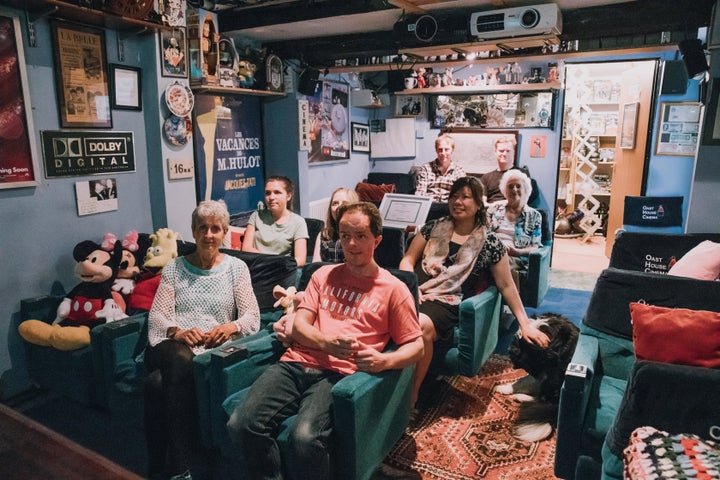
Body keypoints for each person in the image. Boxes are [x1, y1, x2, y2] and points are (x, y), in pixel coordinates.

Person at [227, 202, 424, 480]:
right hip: (294, 364)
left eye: (361, 236)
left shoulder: (394, 290)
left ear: (377, 240)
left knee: (305, 438)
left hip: (338, 375)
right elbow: (300, 326)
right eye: (345, 236)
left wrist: (384, 361)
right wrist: (328, 342)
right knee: (240, 424)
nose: (352, 244)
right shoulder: (322, 275)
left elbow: (417, 347)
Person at [399, 176, 549, 406]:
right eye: (454, 196)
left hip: (447, 301)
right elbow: (408, 260)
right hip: (414, 290)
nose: (457, 202)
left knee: (420, 325)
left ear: (479, 203)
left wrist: (524, 323)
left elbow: (506, 285)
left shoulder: (490, 242)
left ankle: (411, 395)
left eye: (465, 197)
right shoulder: (432, 227)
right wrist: (409, 285)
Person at [144, 200, 261, 480]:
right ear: (193, 232)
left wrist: (231, 327)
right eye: (202, 228)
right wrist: (178, 332)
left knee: (155, 384)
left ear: (224, 233)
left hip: (209, 351)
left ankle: (162, 464)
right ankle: (182, 467)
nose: (209, 235)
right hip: (171, 346)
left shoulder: (237, 269)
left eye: (215, 229)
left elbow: (252, 317)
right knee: (180, 356)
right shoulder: (174, 268)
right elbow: (157, 317)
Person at [486, 169, 543, 293]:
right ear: (505, 191)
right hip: (491, 251)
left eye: (518, 186)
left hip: (515, 257)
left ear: (525, 190)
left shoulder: (534, 216)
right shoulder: (494, 209)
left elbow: (535, 246)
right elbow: (483, 234)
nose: (514, 189)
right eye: (510, 186)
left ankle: (500, 302)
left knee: (500, 262)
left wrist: (517, 252)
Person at [242, 175, 309, 267]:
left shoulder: (298, 222)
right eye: (268, 193)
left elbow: (300, 259)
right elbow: (246, 248)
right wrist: (269, 261)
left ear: (288, 196)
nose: (271, 197)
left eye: (277, 192)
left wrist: (277, 264)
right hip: (256, 267)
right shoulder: (256, 215)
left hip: (280, 270)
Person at [481, 136, 539, 205]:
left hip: (513, 212)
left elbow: (524, 199)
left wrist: (500, 204)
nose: (504, 154)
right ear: (495, 152)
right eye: (501, 151)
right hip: (490, 212)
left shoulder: (522, 174)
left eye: (508, 151)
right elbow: (482, 202)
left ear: (513, 153)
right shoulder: (486, 177)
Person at [311, 187, 359, 263]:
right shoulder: (324, 234)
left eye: (345, 203)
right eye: (335, 203)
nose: (339, 207)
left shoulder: (361, 235)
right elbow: (315, 265)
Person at [414, 133, 466, 203]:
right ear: (436, 150)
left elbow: (462, 194)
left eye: (446, 149)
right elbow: (420, 194)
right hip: (429, 207)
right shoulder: (426, 169)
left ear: (452, 150)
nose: (443, 153)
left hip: (449, 208)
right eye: (440, 150)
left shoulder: (458, 171)